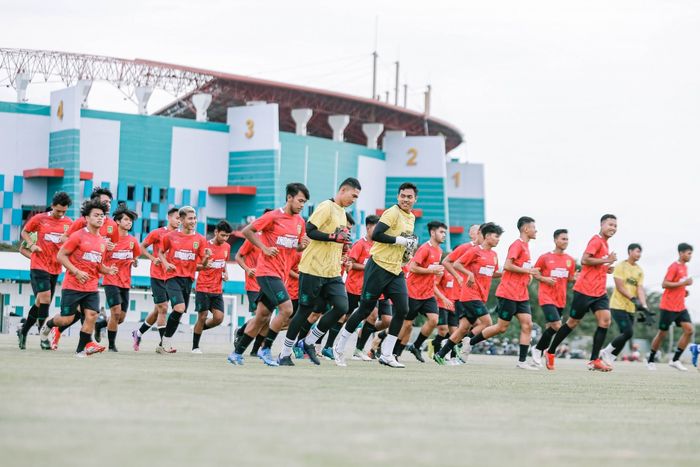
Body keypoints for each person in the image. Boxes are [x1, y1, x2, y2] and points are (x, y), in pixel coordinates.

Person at [333, 182, 419, 368]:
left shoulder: (411, 217)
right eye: (403, 195)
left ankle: (387, 354)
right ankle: (339, 348)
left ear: (415, 199)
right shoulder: (392, 212)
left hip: (395, 270)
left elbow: (402, 244)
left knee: (403, 310)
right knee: (365, 309)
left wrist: (407, 252)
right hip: (378, 266)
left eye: (409, 197)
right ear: (398, 197)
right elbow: (378, 234)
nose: (405, 199)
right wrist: (401, 240)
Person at [277, 178, 360, 366]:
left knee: (342, 307)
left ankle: (308, 342)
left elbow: (336, 238)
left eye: (357, 197)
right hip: (312, 269)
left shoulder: (342, 212)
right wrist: (333, 237)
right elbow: (310, 230)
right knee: (304, 311)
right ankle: (284, 354)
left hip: (332, 271)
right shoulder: (326, 206)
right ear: (343, 190)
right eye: (353, 195)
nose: (354, 199)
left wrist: (343, 247)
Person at [227, 183, 309, 366]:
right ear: (289, 197)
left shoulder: (300, 222)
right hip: (267, 272)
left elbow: (294, 247)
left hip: (281, 275)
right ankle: (266, 349)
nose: (302, 205)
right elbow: (247, 231)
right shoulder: (272, 216)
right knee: (287, 310)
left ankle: (236, 353)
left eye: (304, 202)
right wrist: (264, 248)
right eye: (300, 200)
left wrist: (302, 246)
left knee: (262, 316)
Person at [39, 198, 118, 356]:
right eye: (96, 215)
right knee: (66, 319)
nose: (100, 218)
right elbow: (61, 256)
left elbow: (98, 265)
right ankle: (48, 325)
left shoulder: (102, 242)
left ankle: (81, 349)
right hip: (72, 285)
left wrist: (108, 270)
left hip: (91, 286)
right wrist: (76, 271)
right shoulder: (77, 236)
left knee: (92, 315)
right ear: (87, 218)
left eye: (102, 215)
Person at [545, 214, 618, 372]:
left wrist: (607, 268)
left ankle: (594, 360)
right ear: (602, 225)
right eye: (610, 224)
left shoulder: (605, 244)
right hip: (584, 290)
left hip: (599, 291)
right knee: (572, 323)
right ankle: (550, 352)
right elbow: (585, 260)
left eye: (615, 226)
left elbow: (596, 264)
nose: (613, 228)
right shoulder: (596, 240)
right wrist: (606, 261)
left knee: (605, 321)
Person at [467, 217, 540, 370]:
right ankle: (468, 342)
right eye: (534, 227)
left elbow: (523, 269)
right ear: (526, 229)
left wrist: (529, 276)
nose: (536, 230)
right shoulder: (517, 245)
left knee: (527, 325)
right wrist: (527, 271)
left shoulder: (527, 247)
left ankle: (521, 362)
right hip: (508, 292)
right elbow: (507, 265)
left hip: (522, 295)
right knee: (501, 327)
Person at [434, 222, 503, 364]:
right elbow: (457, 263)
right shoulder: (474, 250)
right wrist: (467, 274)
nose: (498, 240)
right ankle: (467, 344)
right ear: (488, 236)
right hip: (470, 295)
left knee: (463, 328)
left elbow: (492, 273)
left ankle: (441, 354)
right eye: (496, 236)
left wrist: (506, 273)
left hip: (481, 295)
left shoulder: (494, 255)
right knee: (487, 322)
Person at [17, 191, 73, 349]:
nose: (60, 214)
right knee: (46, 298)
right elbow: (25, 232)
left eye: (64, 211)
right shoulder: (39, 219)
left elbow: (73, 243)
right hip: (39, 265)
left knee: (40, 302)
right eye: (58, 210)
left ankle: (24, 330)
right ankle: (43, 337)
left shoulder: (69, 223)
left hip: (55, 268)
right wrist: (32, 244)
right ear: (52, 205)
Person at [158, 206, 210, 353]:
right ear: (181, 220)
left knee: (180, 312)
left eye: (194, 218)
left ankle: (163, 343)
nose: (193, 221)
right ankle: (166, 343)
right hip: (172, 277)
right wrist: (166, 263)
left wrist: (206, 258)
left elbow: (203, 265)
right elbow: (161, 253)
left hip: (188, 279)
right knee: (179, 308)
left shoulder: (200, 239)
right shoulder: (170, 236)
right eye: (190, 218)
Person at [133, 207, 180, 351]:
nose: (179, 221)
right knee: (164, 308)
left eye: (180, 219)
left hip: (172, 277)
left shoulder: (181, 236)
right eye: (177, 218)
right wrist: (152, 258)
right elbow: (141, 247)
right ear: (169, 217)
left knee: (158, 311)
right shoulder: (157, 233)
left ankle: (138, 333)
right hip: (157, 276)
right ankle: (164, 344)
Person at [530, 229, 577, 367]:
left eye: (567, 239)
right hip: (546, 296)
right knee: (557, 326)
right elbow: (534, 272)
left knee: (550, 329)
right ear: (555, 240)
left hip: (560, 299)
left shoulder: (570, 260)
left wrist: (576, 278)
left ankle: (539, 351)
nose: (565, 242)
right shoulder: (545, 257)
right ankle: (538, 349)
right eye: (563, 239)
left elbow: (569, 278)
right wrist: (545, 279)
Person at [403, 221, 448, 362]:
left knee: (434, 320)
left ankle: (415, 346)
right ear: (433, 233)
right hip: (413, 291)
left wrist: (435, 272)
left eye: (445, 233)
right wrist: (431, 270)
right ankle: (393, 352)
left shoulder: (439, 251)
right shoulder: (424, 248)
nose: (444, 235)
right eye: (441, 232)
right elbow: (412, 268)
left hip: (427, 293)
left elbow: (431, 271)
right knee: (407, 324)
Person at [647, 243, 694, 371]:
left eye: (691, 253)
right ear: (681, 253)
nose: (690, 256)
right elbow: (665, 284)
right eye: (689, 253)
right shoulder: (674, 267)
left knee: (689, 330)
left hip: (680, 307)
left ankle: (675, 360)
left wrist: (684, 291)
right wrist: (684, 283)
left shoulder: (685, 268)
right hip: (668, 307)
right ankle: (650, 360)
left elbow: (678, 285)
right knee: (662, 334)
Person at [599, 243, 648, 367]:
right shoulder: (621, 266)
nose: (639, 254)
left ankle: (610, 358)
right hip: (617, 305)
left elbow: (640, 289)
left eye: (640, 252)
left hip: (631, 308)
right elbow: (620, 287)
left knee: (624, 335)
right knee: (628, 332)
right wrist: (633, 299)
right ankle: (606, 351)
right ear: (630, 251)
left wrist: (644, 305)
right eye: (637, 251)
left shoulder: (639, 270)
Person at [101, 207, 141, 352]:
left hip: (125, 282)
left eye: (130, 220)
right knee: (116, 313)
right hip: (110, 280)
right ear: (117, 221)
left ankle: (100, 325)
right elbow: (100, 256)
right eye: (125, 219)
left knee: (121, 318)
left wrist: (135, 261)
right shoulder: (108, 240)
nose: (129, 222)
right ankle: (111, 346)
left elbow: (136, 255)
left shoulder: (132, 241)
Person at [192, 221, 232, 353]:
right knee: (202, 316)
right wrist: (205, 264)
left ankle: (198, 328)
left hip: (217, 289)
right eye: (222, 235)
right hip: (203, 287)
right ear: (216, 232)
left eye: (227, 236)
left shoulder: (227, 247)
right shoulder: (205, 246)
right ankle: (195, 346)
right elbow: (196, 266)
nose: (225, 238)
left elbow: (223, 262)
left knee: (219, 318)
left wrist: (225, 273)